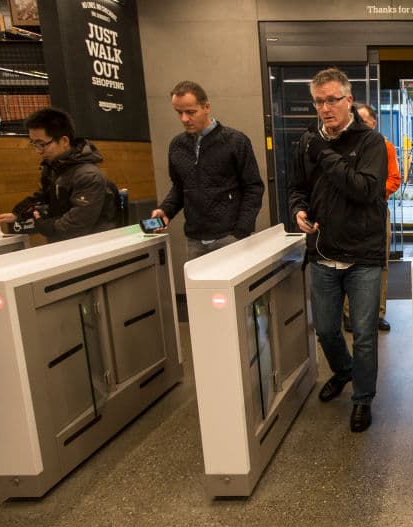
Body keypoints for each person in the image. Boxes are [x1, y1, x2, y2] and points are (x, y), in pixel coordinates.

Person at [286, 68, 388, 432]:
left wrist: (326, 154)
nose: (325, 108)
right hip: (322, 253)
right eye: (319, 101)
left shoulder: (370, 142)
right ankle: (344, 372)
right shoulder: (307, 141)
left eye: (332, 100)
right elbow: (297, 186)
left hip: (362, 255)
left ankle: (362, 399)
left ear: (349, 100)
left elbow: (364, 190)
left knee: (363, 334)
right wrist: (298, 209)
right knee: (326, 330)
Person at [151, 81, 264, 259]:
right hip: (195, 240)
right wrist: (166, 210)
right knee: (201, 289)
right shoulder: (177, 145)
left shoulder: (235, 141)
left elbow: (253, 187)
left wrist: (241, 231)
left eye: (190, 112)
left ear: (206, 107)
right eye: (179, 112)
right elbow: (180, 188)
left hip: (230, 237)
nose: (184, 119)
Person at [0, 107, 118, 242]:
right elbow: (43, 196)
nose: (38, 151)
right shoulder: (53, 167)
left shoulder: (89, 176)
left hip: (92, 247)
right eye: (34, 144)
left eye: (42, 144)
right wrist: (18, 214)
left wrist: (44, 226)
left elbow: (75, 226)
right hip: (65, 243)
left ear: (64, 141)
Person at [343, 102, 400, 333]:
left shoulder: (385, 147)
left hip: (376, 211)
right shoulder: (344, 148)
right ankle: (349, 314)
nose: (359, 126)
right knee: (349, 261)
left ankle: (377, 313)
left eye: (364, 121)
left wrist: (369, 193)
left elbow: (394, 179)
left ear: (374, 123)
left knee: (380, 262)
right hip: (347, 212)